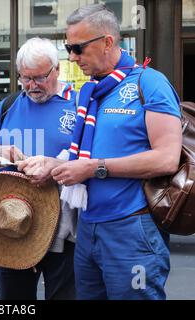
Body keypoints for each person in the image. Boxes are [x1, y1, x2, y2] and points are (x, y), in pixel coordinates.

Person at [50, 4, 182, 300]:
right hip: (88, 226)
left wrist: (93, 168)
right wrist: (52, 164)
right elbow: (84, 155)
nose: (72, 56)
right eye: (67, 47)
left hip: (132, 228)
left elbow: (166, 158)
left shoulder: (149, 82)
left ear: (107, 42)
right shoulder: (91, 90)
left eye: (78, 48)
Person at [0, 37, 77, 300]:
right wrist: (1, 151)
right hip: (12, 223)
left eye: (39, 78)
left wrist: (55, 166)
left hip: (62, 226)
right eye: (25, 78)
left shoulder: (79, 104)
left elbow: (94, 156)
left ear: (57, 69)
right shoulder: (9, 105)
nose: (31, 86)